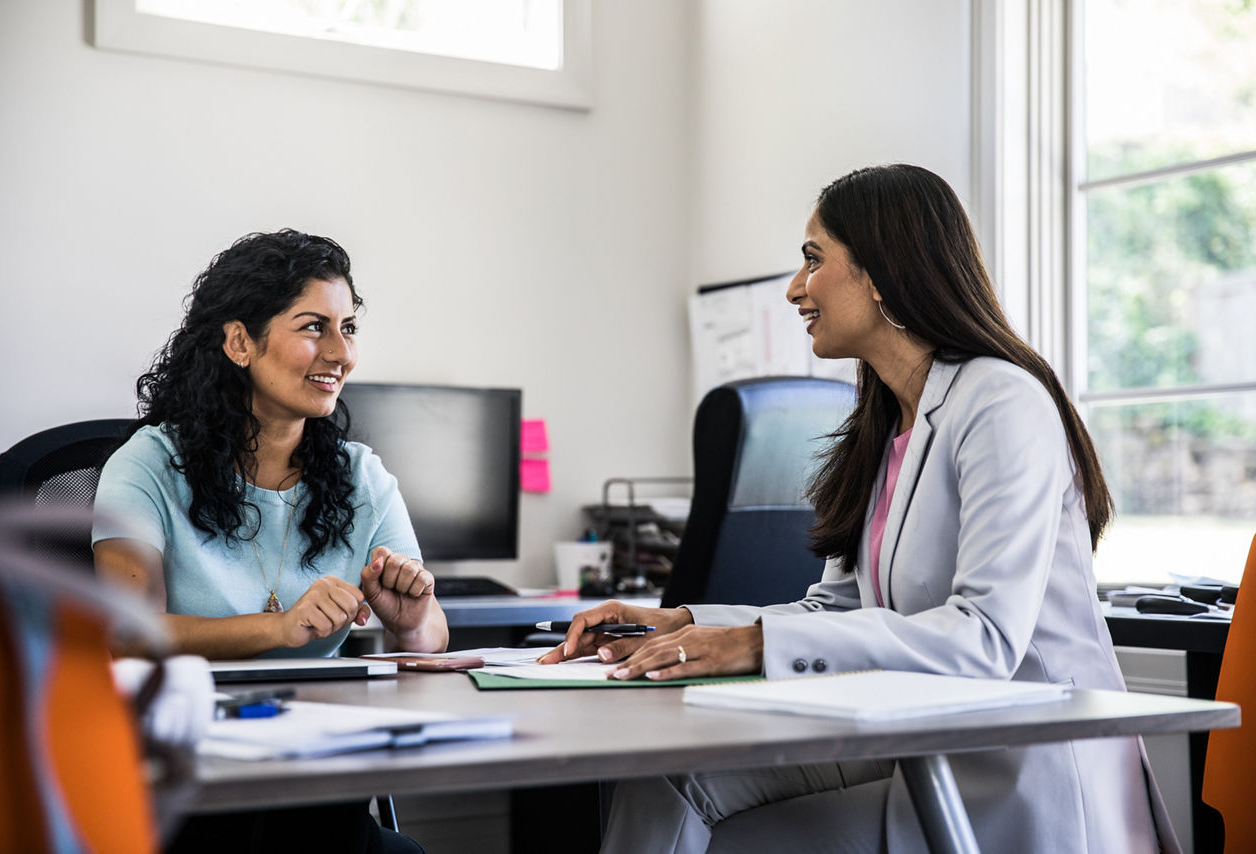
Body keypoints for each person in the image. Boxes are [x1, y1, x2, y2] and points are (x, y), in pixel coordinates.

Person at [539, 165, 1180, 853]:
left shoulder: (1001, 402)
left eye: (813, 261)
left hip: (1017, 765)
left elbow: (985, 639)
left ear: (883, 273)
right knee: (663, 777)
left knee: (738, 840)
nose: (794, 289)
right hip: (918, 734)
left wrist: (753, 644)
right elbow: (835, 611)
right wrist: (686, 622)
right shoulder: (889, 421)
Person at [92, 228, 444, 853]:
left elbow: (429, 636)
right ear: (239, 342)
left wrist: (411, 622)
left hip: (318, 778)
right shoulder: (148, 463)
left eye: (349, 327)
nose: (342, 352)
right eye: (314, 326)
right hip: (183, 782)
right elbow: (126, 633)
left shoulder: (362, 474)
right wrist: (278, 630)